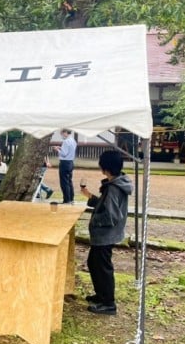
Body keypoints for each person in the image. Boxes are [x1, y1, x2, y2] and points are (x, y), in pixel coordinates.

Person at [80, 150, 133, 315]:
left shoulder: (113, 188)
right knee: (93, 263)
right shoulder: (115, 183)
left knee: (102, 268)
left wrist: (94, 221)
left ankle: (109, 303)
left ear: (105, 168)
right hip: (105, 235)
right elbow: (106, 206)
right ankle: (101, 296)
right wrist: (89, 196)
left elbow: (110, 215)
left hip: (105, 235)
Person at [53, 129, 77, 204]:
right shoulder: (73, 140)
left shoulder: (66, 141)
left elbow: (64, 154)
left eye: (62, 133)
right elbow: (69, 151)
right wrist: (61, 148)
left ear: (66, 132)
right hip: (71, 162)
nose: (62, 135)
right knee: (69, 181)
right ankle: (71, 198)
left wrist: (57, 149)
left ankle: (67, 200)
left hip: (64, 163)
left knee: (64, 182)